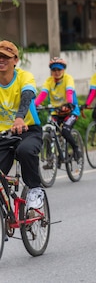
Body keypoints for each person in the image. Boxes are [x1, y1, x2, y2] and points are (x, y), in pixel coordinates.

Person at [0, 40, 45, 211]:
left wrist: (20, 118)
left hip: (28, 130)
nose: (1, 60)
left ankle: (35, 189)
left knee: (24, 151)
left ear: (15, 60)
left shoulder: (24, 77)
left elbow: (27, 95)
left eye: (6, 57)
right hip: (3, 135)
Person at [35, 57, 82, 161]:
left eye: (59, 70)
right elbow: (43, 94)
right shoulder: (49, 81)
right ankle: (50, 158)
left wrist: (69, 103)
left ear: (63, 70)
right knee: (49, 131)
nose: (56, 72)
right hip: (56, 111)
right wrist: (34, 105)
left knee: (65, 131)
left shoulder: (68, 79)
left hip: (70, 111)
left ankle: (76, 149)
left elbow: (69, 91)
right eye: (54, 70)